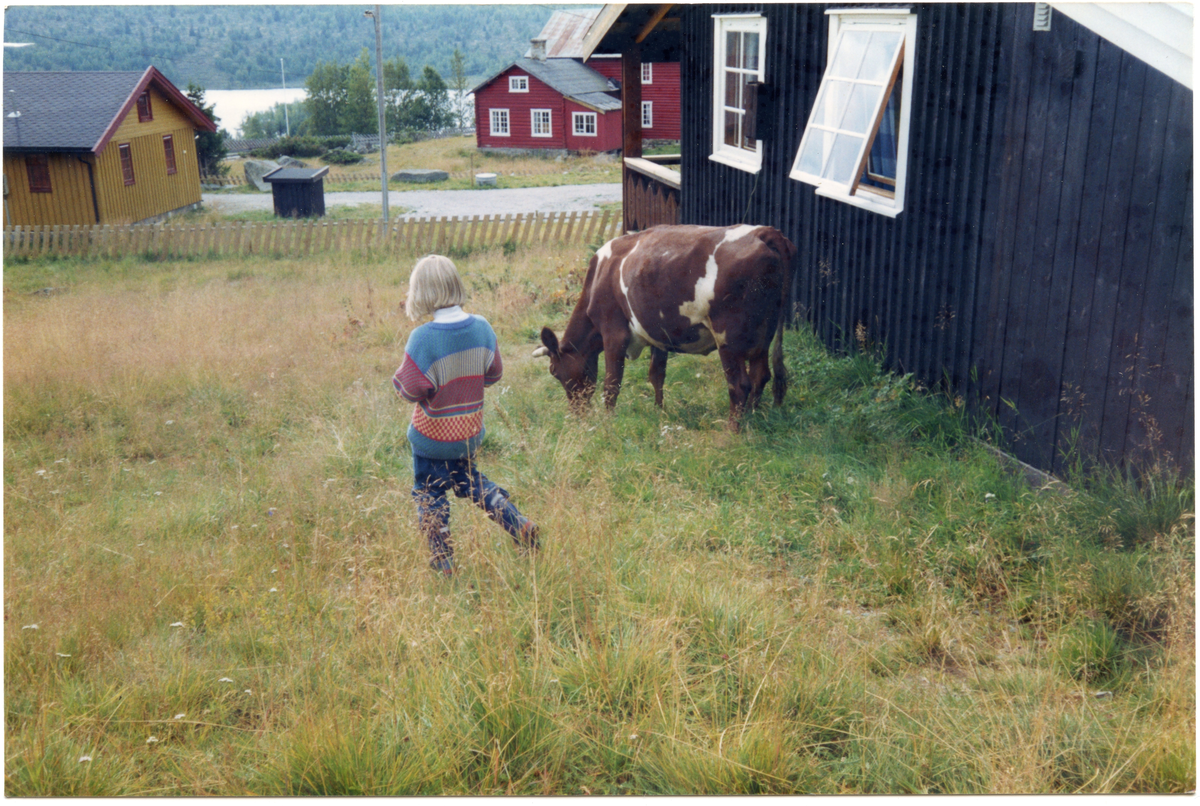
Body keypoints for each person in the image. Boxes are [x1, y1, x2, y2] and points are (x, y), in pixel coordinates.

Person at [392, 254, 539, 575]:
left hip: (431, 440)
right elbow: (494, 373)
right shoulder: (483, 327)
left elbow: (408, 391)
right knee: (471, 482)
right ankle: (520, 524)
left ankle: (443, 560)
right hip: (468, 435)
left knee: (430, 494)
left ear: (423, 292)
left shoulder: (423, 338)